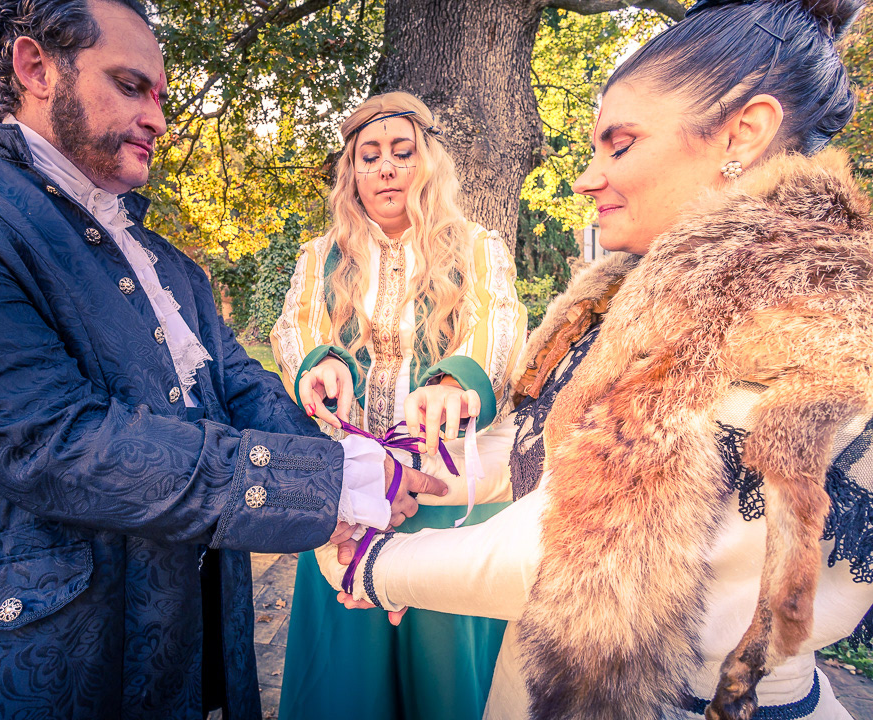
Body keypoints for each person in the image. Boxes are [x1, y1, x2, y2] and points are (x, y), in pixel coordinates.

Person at [0, 2, 446, 718]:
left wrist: (356, 504)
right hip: (7, 674)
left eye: (161, 96)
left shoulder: (166, 263)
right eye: (131, 85)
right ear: (36, 68)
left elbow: (242, 390)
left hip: (181, 659)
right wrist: (333, 485)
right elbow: (52, 438)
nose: (158, 120)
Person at [313, 0, 873, 718]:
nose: (584, 179)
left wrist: (372, 566)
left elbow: (589, 560)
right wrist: (408, 471)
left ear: (744, 132)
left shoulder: (784, 309)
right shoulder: (649, 288)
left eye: (621, 144)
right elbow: (556, 457)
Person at [271, 92, 526, 720]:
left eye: (401, 152)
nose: (385, 167)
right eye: (369, 156)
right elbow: (293, 330)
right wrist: (318, 362)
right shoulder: (320, 256)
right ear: (352, 172)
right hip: (350, 491)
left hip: (446, 492)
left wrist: (454, 382)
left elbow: (500, 324)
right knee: (345, 680)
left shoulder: (477, 247)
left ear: (427, 162)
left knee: (446, 674)